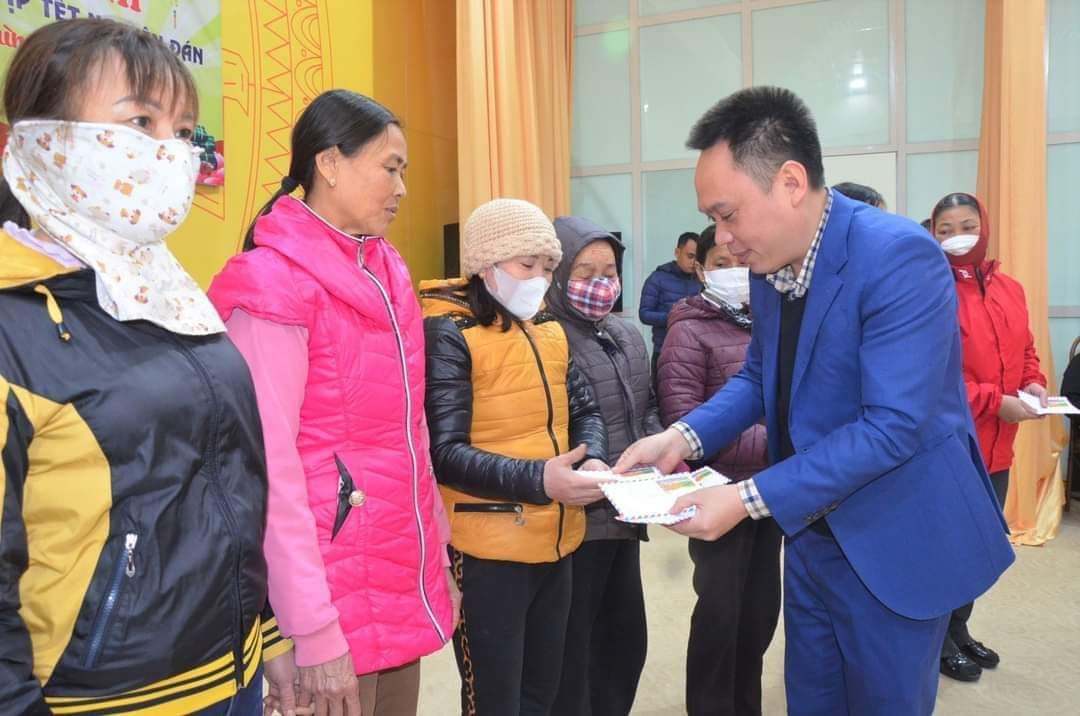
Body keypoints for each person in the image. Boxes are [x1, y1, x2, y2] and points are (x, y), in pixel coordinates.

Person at [616, 86, 1014, 716]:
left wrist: (745, 500)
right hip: (811, 529)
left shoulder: (897, 256)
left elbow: (892, 427)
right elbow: (760, 377)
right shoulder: (769, 263)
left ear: (791, 183)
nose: (722, 237)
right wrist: (681, 437)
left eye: (728, 214)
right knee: (814, 697)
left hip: (895, 535)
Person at [0, 19, 275, 715]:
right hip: (105, 697)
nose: (171, 153)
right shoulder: (13, 317)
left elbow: (228, 482)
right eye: (140, 122)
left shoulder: (170, 292)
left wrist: (268, 634)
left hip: (232, 675)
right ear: (43, 137)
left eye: (182, 132)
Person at [209, 90, 456, 716]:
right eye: (390, 167)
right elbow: (265, 468)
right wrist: (308, 628)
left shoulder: (387, 269)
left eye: (404, 170)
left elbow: (410, 437)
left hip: (393, 570)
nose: (402, 187)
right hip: (324, 592)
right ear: (329, 163)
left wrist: (435, 557)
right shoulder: (272, 283)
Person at [420, 198, 609, 715]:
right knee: (495, 700)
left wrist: (592, 457)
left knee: (541, 693)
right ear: (486, 266)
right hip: (487, 549)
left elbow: (585, 409)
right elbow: (445, 453)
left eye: (548, 267)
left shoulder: (548, 328)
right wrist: (540, 480)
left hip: (556, 540)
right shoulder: (450, 332)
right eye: (527, 265)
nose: (540, 280)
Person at [657, 224, 779, 716]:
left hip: (770, 490)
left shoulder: (770, 322)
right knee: (720, 613)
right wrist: (783, 442)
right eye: (721, 264)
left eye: (742, 262)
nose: (735, 272)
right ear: (702, 269)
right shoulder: (688, 330)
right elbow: (684, 418)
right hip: (717, 493)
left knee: (760, 612)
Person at [545, 216, 662, 716]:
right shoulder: (545, 336)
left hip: (627, 513)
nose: (600, 283)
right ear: (558, 275)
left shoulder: (626, 333)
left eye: (609, 272)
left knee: (624, 643)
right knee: (575, 651)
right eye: (585, 272)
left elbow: (647, 405)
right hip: (577, 521)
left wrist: (658, 447)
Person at [929, 191, 1047, 683]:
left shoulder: (1010, 288)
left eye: (968, 226)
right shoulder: (930, 288)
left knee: (979, 547)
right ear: (932, 235)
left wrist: (1034, 383)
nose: (959, 237)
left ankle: (959, 629)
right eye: (946, 230)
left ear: (986, 227)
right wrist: (994, 401)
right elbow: (935, 374)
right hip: (953, 444)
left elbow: (1026, 351)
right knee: (947, 548)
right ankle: (936, 641)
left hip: (1000, 447)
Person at [639, 231, 703, 376]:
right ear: (677, 252)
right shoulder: (657, 278)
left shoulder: (701, 280)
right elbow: (644, 314)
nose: (694, 262)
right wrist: (674, 316)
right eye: (690, 256)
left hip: (695, 353)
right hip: (664, 351)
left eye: (698, 257)